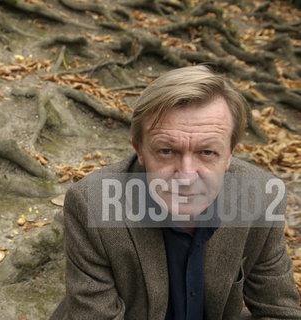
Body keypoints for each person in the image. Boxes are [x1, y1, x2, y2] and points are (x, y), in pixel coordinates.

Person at [50, 65, 301, 320]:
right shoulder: (92, 204)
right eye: (167, 151)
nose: (187, 176)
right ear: (140, 150)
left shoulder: (262, 196)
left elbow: (280, 311)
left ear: (230, 155)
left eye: (207, 153)